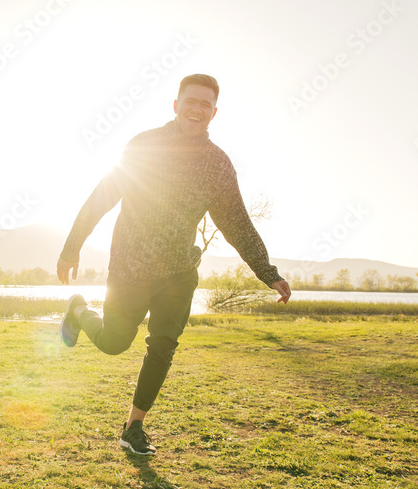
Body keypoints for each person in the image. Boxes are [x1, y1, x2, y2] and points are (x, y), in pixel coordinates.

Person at [57, 74, 291, 456]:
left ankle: (134, 427)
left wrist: (268, 272)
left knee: (162, 347)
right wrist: (71, 248)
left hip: (179, 272)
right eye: (191, 101)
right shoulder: (144, 146)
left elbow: (236, 223)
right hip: (130, 267)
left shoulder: (217, 165)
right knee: (116, 343)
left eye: (205, 105)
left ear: (214, 113)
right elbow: (101, 197)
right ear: (176, 105)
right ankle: (79, 308)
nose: (196, 110)